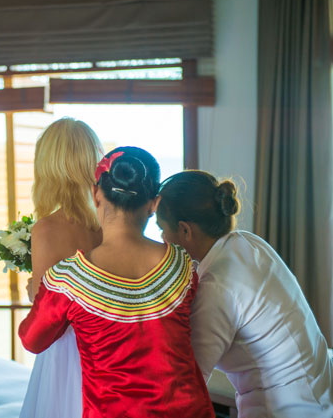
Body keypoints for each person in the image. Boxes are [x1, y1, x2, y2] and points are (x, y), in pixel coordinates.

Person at [20, 147, 215, 418]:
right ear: (154, 204)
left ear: (95, 194)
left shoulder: (67, 280)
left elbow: (32, 340)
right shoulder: (182, 266)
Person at [156, 170, 333, 418]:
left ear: (185, 230)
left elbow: (189, 383)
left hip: (286, 410)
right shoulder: (249, 243)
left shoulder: (217, 287)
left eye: (162, 229)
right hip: (318, 392)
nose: (162, 239)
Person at [19, 117, 103, 418]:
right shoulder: (108, 223)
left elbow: (47, 314)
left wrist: (32, 289)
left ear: (47, 164)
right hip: (107, 350)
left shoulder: (47, 229)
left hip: (67, 352)